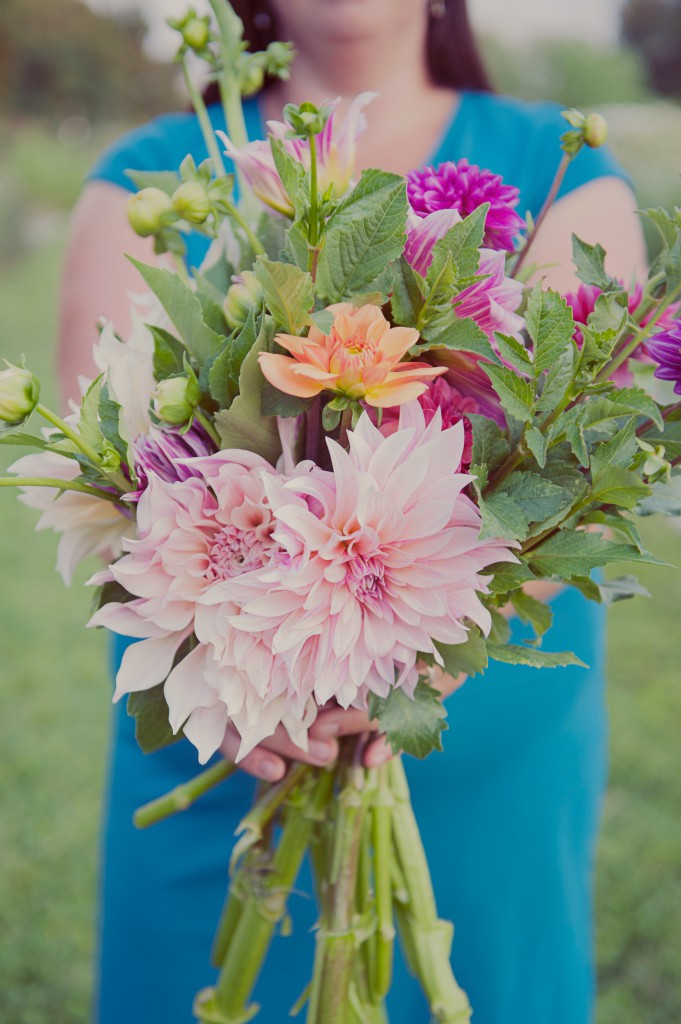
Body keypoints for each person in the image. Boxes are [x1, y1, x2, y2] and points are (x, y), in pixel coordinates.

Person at [58, 1, 647, 1022]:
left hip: (479, 747)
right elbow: (99, 475)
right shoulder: (156, 177)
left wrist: (407, 649)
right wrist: (238, 679)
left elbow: (575, 457)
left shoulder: (559, 169)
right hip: (222, 730)